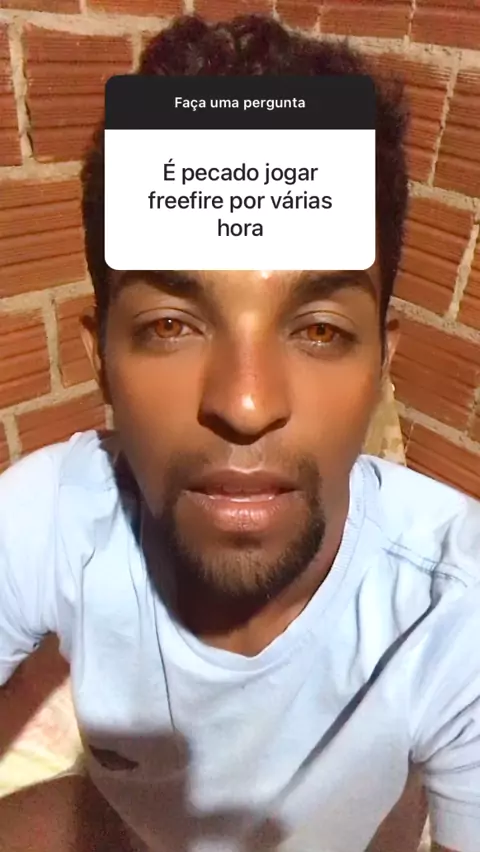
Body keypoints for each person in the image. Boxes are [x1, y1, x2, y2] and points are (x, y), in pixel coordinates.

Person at [0, 13, 479, 852]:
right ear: (101, 360)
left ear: (380, 365)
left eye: (320, 329)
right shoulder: (47, 521)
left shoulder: (452, 603)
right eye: (171, 326)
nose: (247, 403)